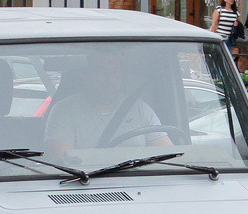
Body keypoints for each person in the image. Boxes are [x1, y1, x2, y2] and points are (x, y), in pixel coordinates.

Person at [44, 50, 173, 158]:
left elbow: (168, 156)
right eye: (102, 71)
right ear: (87, 74)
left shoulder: (139, 108)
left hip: (139, 180)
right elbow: (62, 163)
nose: (109, 79)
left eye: (115, 72)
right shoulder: (64, 111)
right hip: (86, 183)